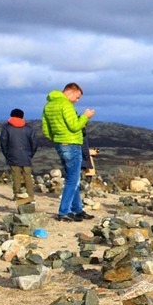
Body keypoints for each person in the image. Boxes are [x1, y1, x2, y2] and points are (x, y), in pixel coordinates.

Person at [42, 83, 95, 222]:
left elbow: (46, 128)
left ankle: (77, 209)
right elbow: (74, 126)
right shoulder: (66, 105)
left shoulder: (48, 106)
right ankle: (64, 211)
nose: (77, 100)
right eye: (77, 97)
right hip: (72, 144)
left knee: (73, 177)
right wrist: (85, 117)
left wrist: (57, 139)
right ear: (71, 92)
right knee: (73, 179)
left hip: (60, 144)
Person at [0, 108, 38, 203]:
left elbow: (3, 142)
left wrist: (7, 154)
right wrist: (30, 154)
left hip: (12, 154)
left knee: (16, 176)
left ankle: (17, 196)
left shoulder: (7, 127)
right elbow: (34, 143)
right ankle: (31, 197)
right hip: (26, 155)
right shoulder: (29, 128)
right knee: (27, 176)